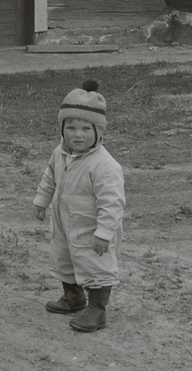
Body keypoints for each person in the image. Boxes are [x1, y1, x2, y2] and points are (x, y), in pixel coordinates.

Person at [33, 78, 125, 332]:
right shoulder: (59, 153)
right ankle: (73, 297)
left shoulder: (105, 165)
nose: (77, 134)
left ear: (99, 132)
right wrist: (41, 201)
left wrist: (104, 233)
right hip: (63, 222)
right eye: (71, 127)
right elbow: (50, 177)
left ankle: (97, 310)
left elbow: (112, 202)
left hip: (91, 230)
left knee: (95, 266)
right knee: (64, 259)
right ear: (61, 128)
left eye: (86, 128)